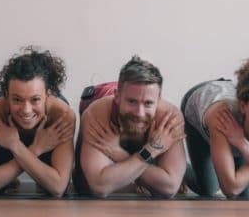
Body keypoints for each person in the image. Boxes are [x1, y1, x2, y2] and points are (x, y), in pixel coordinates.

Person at [73, 56, 186, 198]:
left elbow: (169, 188)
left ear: (159, 100)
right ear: (117, 97)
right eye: (132, 102)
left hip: (129, 144)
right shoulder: (97, 113)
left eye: (148, 103)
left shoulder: (170, 116)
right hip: (97, 99)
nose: (139, 113)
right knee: (83, 187)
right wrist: (152, 150)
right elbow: (100, 186)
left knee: (202, 186)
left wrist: (119, 155)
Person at [0, 47, 75, 197]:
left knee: (47, 189)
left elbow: (58, 187)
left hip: (45, 156)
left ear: (48, 95)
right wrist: (34, 149)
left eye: (35, 100)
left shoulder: (62, 116)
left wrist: (15, 145)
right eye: (17, 100)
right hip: (8, 147)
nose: (26, 110)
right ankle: (11, 179)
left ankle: (15, 176)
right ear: (6, 95)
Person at [182, 57, 249, 198]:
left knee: (244, 193)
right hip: (201, 102)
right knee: (208, 188)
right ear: (243, 106)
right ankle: (171, 165)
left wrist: (245, 144)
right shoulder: (222, 116)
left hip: (241, 123)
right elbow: (231, 188)